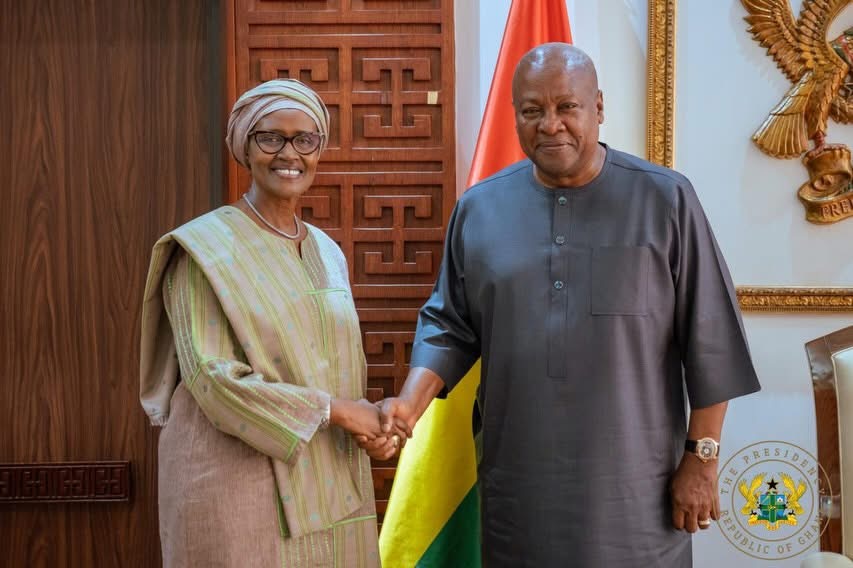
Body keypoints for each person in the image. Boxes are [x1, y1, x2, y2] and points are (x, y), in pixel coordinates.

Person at [360, 43, 761, 566]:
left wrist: (702, 461)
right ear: (515, 115)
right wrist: (407, 408)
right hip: (518, 493)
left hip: (638, 494)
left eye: (566, 107)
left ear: (599, 107)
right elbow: (449, 326)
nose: (550, 125)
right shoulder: (479, 209)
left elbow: (711, 340)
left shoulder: (666, 199)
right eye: (532, 110)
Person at [139, 79, 405, 567]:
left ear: (319, 148)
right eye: (271, 138)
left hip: (328, 476)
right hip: (236, 482)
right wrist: (340, 412)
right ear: (245, 146)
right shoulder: (203, 249)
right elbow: (212, 379)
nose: (289, 154)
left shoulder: (327, 251)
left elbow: (331, 367)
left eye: (305, 139)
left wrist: (369, 427)